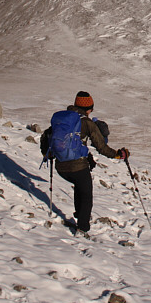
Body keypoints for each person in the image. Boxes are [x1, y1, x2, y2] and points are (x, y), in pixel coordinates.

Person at [41, 91, 128, 236]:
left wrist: (47, 154)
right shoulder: (87, 123)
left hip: (60, 165)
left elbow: (47, 136)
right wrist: (118, 154)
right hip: (78, 167)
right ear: (90, 109)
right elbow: (102, 147)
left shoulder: (63, 119)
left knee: (79, 186)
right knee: (86, 194)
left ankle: (78, 215)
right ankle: (82, 228)